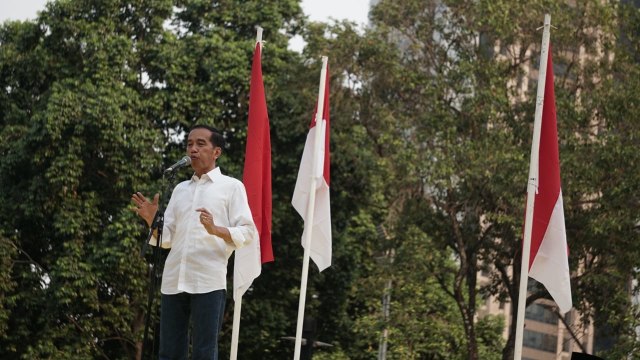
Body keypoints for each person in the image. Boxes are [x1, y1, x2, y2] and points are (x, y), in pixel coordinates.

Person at [131, 125, 257, 360]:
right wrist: (152, 221)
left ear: (216, 151)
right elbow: (167, 239)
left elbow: (248, 232)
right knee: (168, 353)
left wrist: (215, 229)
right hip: (173, 280)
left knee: (204, 352)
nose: (193, 149)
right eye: (189, 144)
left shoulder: (231, 187)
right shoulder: (180, 189)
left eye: (201, 144)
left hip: (208, 281)